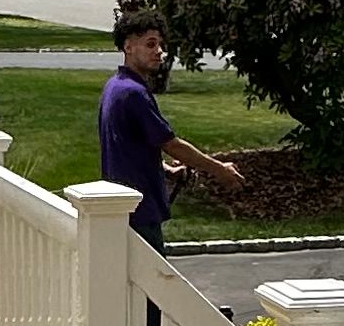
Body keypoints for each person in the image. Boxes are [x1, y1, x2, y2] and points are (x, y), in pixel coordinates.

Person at [99, 16, 244, 242]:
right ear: (128, 46)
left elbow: (129, 145)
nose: (159, 51)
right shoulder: (133, 93)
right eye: (150, 44)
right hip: (139, 209)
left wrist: (166, 170)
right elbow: (171, 144)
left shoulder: (114, 86)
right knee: (154, 276)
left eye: (160, 45)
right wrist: (219, 169)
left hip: (122, 207)